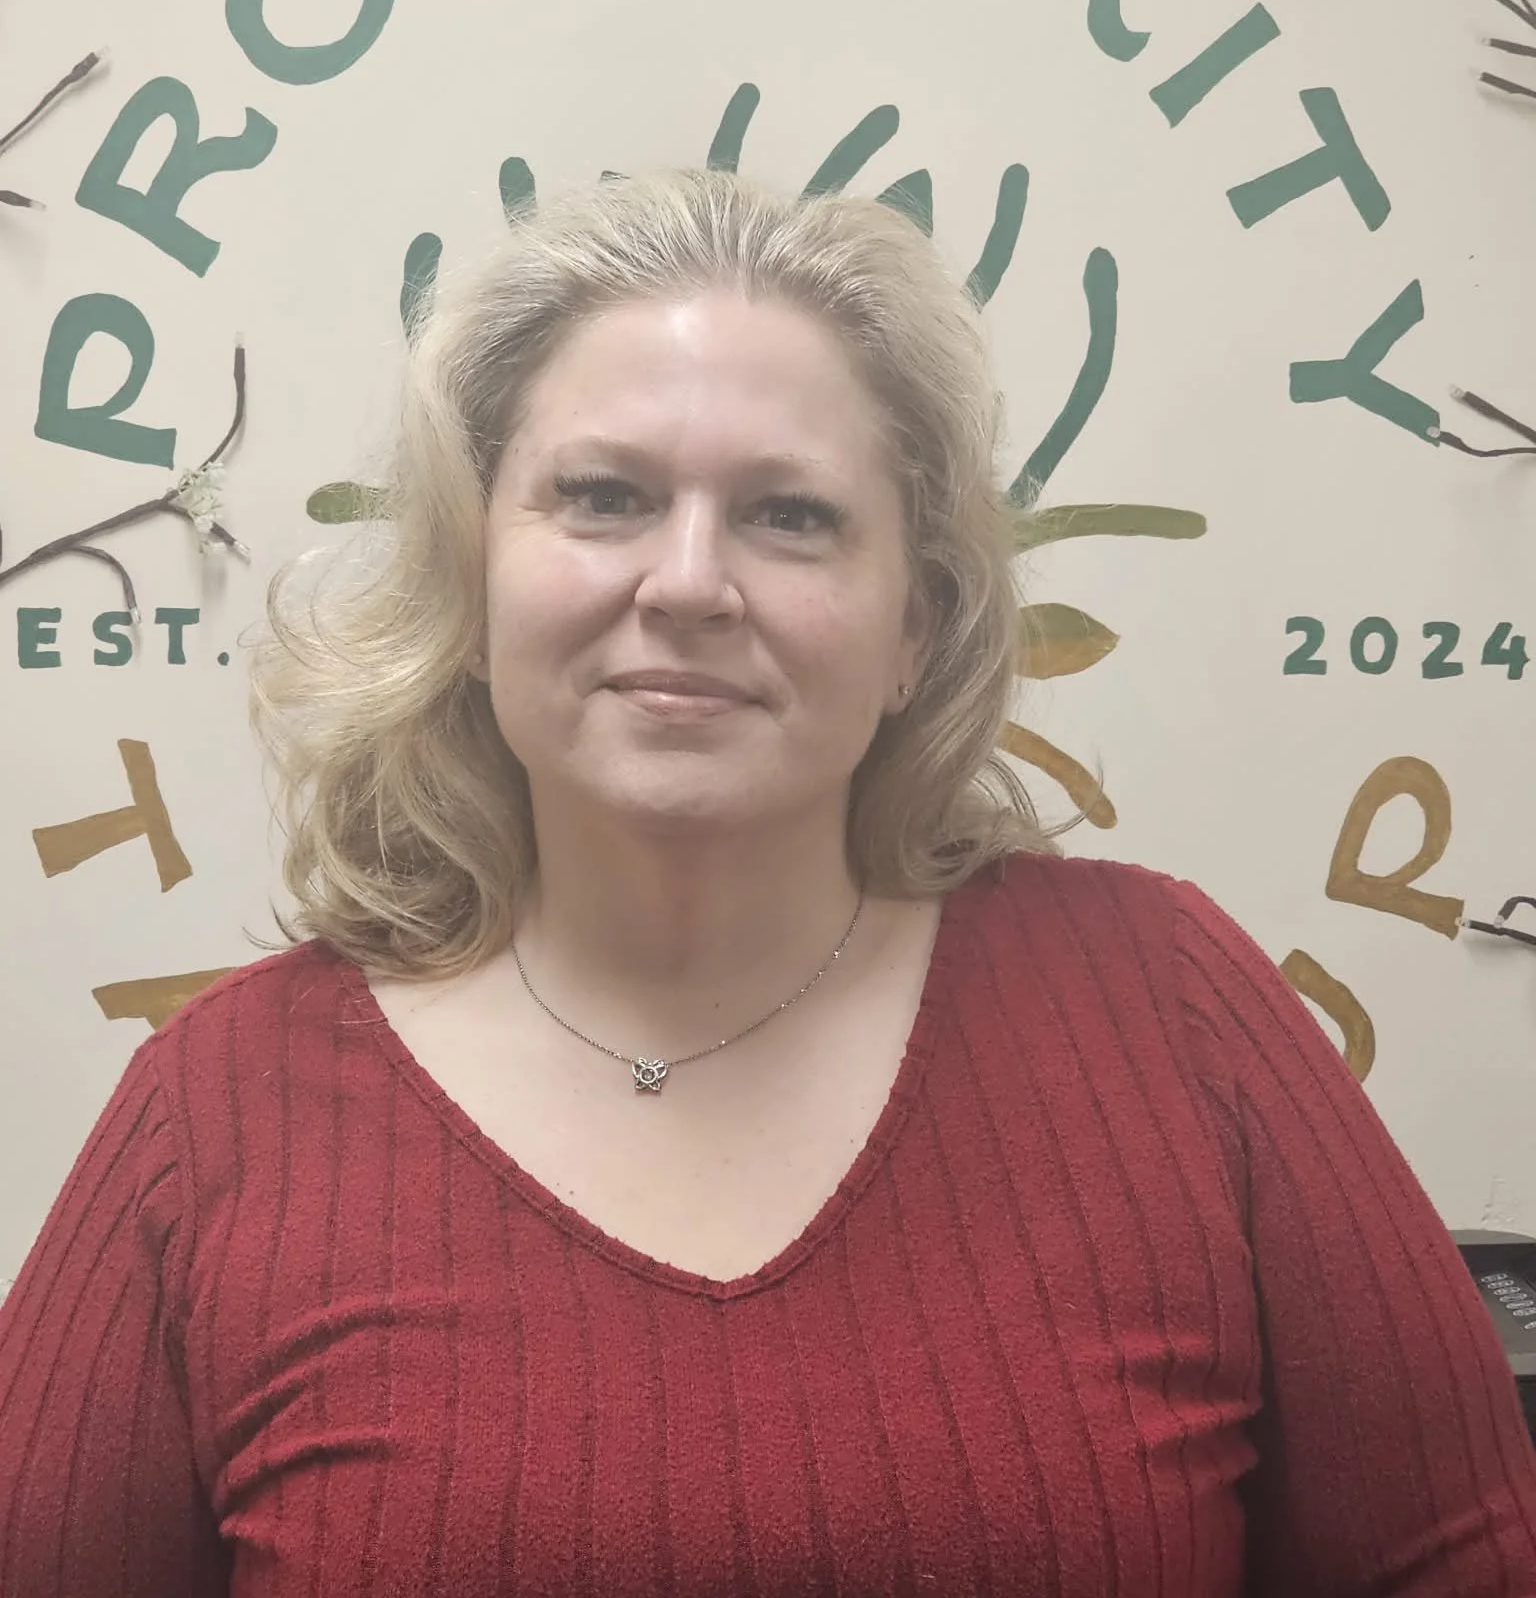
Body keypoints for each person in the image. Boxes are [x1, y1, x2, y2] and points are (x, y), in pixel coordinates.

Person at [1, 168, 1534, 1597]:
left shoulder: (1174, 1009)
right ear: (471, 583)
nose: (685, 583)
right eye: (601, 496)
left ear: (916, 626)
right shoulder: (219, 1115)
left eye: (790, 514)